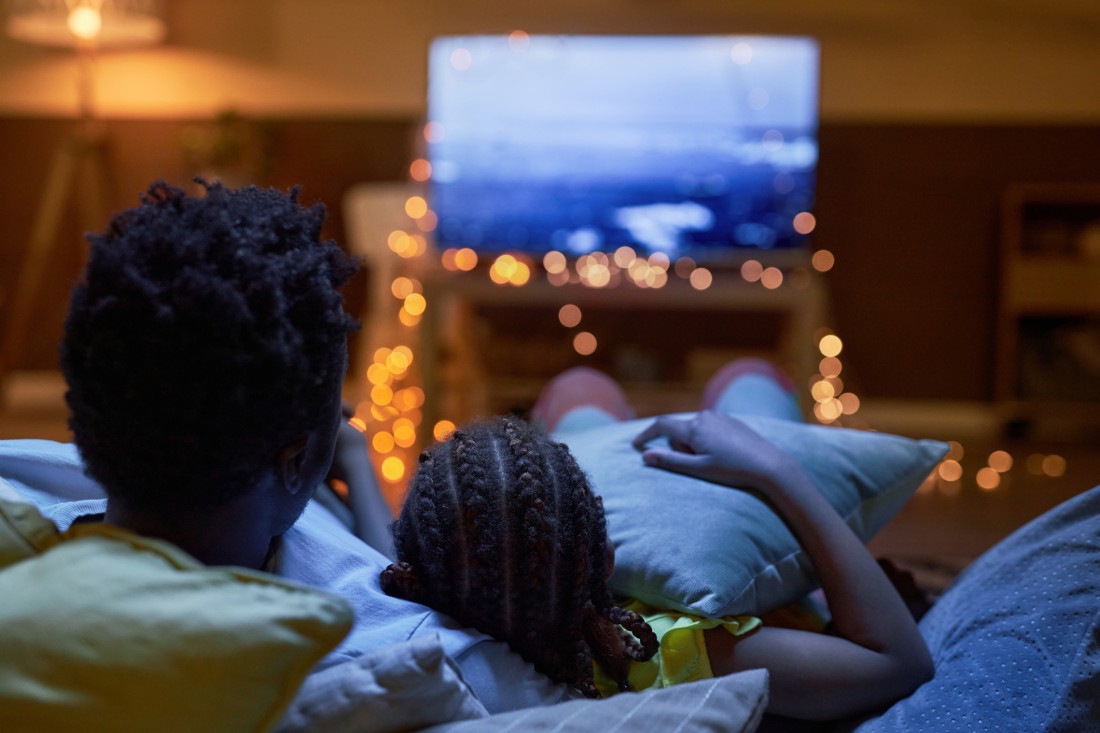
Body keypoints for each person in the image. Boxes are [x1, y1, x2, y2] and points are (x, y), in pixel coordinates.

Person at [30, 180, 577, 714]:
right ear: (294, 461)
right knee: (580, 391)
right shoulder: (410, 653)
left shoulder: (20, 491)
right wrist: (356, 461)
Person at [381, 361, 935, 721]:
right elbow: (899, 664)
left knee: (579, 388)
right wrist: (773, 469)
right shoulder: (658, 654)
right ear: (607, 559)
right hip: (789, 567)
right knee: (750, 376)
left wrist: (359, 463)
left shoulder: (427, 625)